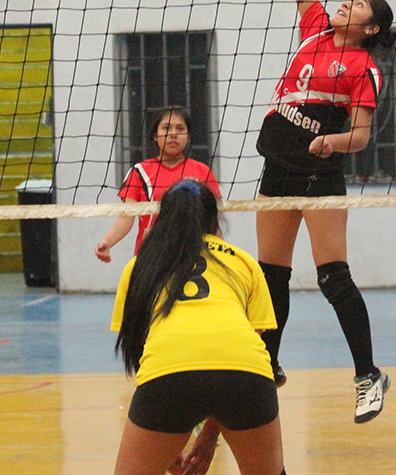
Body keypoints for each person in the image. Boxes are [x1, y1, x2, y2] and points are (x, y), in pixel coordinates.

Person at [254, 0, 396, 424]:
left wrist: (331, 141)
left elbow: (359, 136)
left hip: (318, 175)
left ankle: (368, 376)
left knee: (333, 276)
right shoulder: (314, 29)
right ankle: (266, 365)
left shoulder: (365, 68)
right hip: (277, 165)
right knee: (270, 275)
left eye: (357, 4)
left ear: (371, 26)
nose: (345, 2)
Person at [111, 179, 285, 475]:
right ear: (216, 221)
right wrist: (209, 435)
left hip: (169, 373)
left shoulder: (140, 265)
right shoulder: (243, 262)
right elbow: (254, 344)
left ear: (163, 220)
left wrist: (164, 438)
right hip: (246, 373)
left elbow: (140, 352)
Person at [95, 106, 220, 263]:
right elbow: (126, 218)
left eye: (180, 129)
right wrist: (106, 242)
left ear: (188, 137)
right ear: (155, 135)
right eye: (166, 128)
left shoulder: (202, 171)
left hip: (193, 257)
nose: (173, 134)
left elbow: (213, 221)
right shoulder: (139, 172)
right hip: (151, 258)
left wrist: (224, 260)